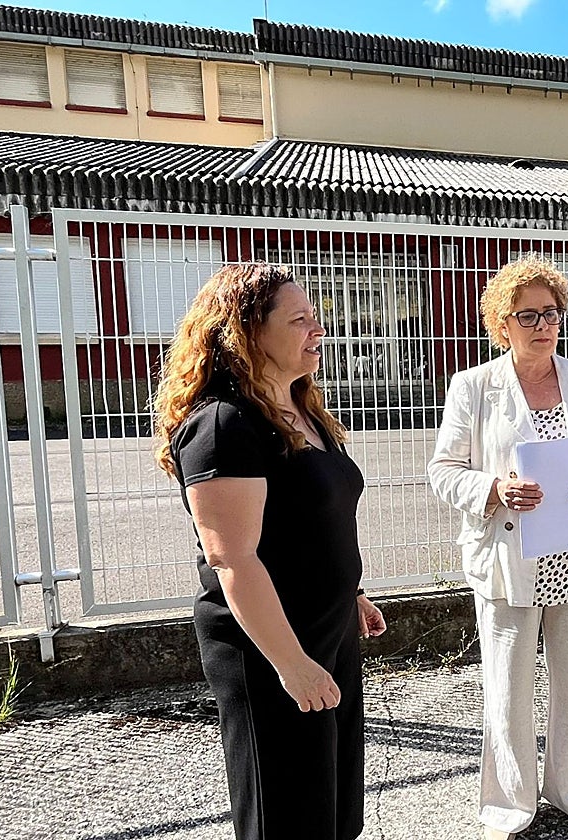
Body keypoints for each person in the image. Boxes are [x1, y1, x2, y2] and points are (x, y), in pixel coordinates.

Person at [153, 263, 386, 840]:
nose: (318, 330)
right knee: (285, 809)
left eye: (316, 317)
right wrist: (291, 664)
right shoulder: (225, 426)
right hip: (269, 645)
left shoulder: (303, 410)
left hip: (325, 629)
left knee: (331, 806)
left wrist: (349, 592)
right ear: (248, 332)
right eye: (299, 319)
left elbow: (313, 520)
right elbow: (232, 558)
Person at [427, 256, 568, 840]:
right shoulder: (474, 386)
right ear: (501, 323)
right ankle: (509, 805)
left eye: (553, 312)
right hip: (509, 559)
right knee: (508, 689)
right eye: (529, 314)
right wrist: (494, 488)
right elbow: (442, 469)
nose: (545, 324)